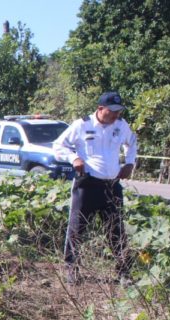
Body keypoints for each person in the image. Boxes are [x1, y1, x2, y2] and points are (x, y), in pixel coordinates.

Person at [53, 91, 138, 285]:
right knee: (77, 227)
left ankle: (124, 272)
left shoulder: (121, 125)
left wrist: (130, 163)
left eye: (118, 111)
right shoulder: (82, 125)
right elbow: (58, 146)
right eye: (112, 111)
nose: (115, 115)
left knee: (116, 230)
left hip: (112, 185)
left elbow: (132, 143)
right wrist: (73, 158)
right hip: (87, 184)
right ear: (100, 109)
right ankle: (71, 269)